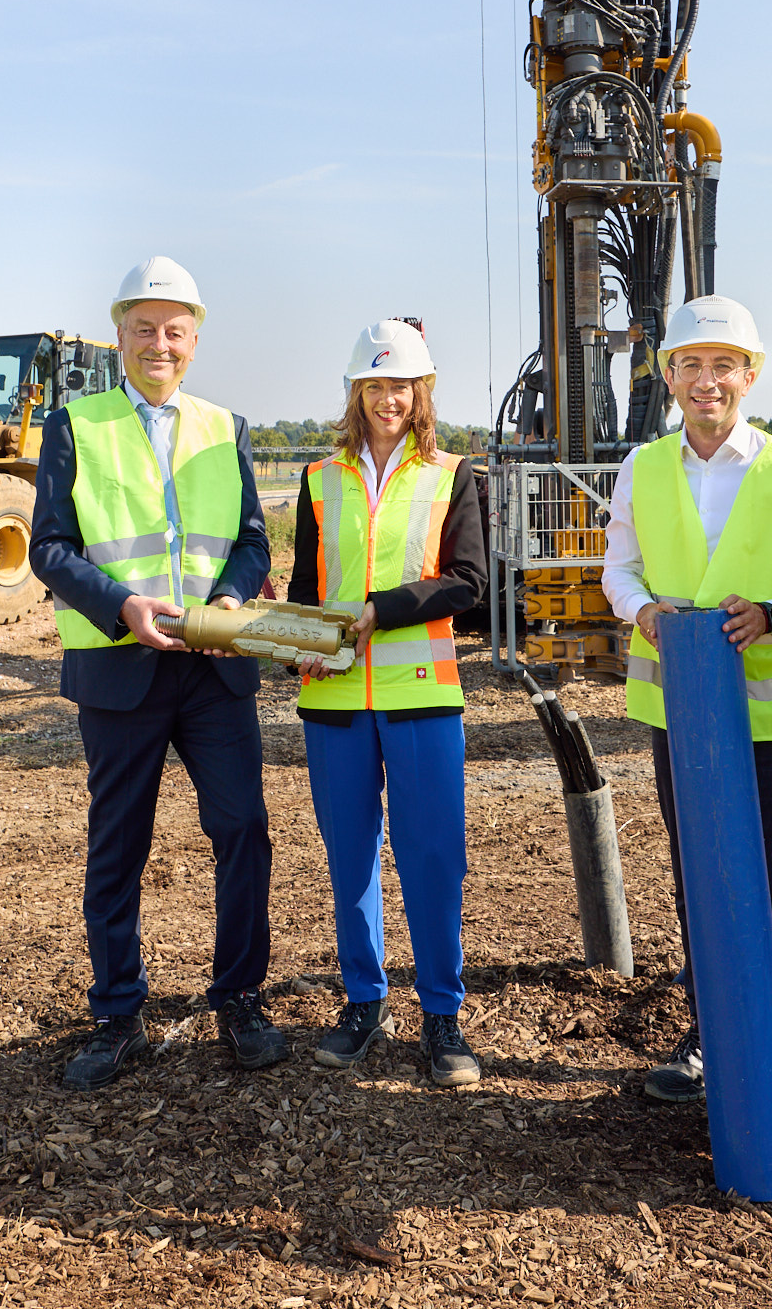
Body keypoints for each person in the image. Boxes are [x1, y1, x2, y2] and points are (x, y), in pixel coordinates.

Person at [31, 256, 285, 1089]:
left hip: (214, 671)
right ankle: (116, 1014)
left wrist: (230, 598)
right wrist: (122, 606)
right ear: (120, 335)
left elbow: (251, 540)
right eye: (144, 327)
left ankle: (240, 998)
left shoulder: (226, 426)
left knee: (243, 829)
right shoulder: (77, 423)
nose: (159, 343)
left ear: (195, 338)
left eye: (175, 329)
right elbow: (50, 549)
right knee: (118, 849)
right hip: (119, 667)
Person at [600, 295, 772, 1103]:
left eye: (723, 366)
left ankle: (749, 1026)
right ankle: (712, 1028)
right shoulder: (641, 468)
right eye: (691, 364)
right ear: (668, 374)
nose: (707, 381)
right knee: (696, 868)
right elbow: (620, 568)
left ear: (750, 374)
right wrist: (643, 612)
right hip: (686, 710)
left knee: (765, 872)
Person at [286, 320, 489, 1088]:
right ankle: (364, 1001)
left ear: (421, 390)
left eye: (402, 384)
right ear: (356, 391)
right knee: (350, 860)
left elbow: (467, 584)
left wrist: (380, 607)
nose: (389, 398)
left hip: (421, 694)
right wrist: (296, 633)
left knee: (433, 860)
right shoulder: (317, 478)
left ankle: (443, 1015)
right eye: (375, 385)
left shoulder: (451, 474)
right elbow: (308, 588)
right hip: (334, 696)